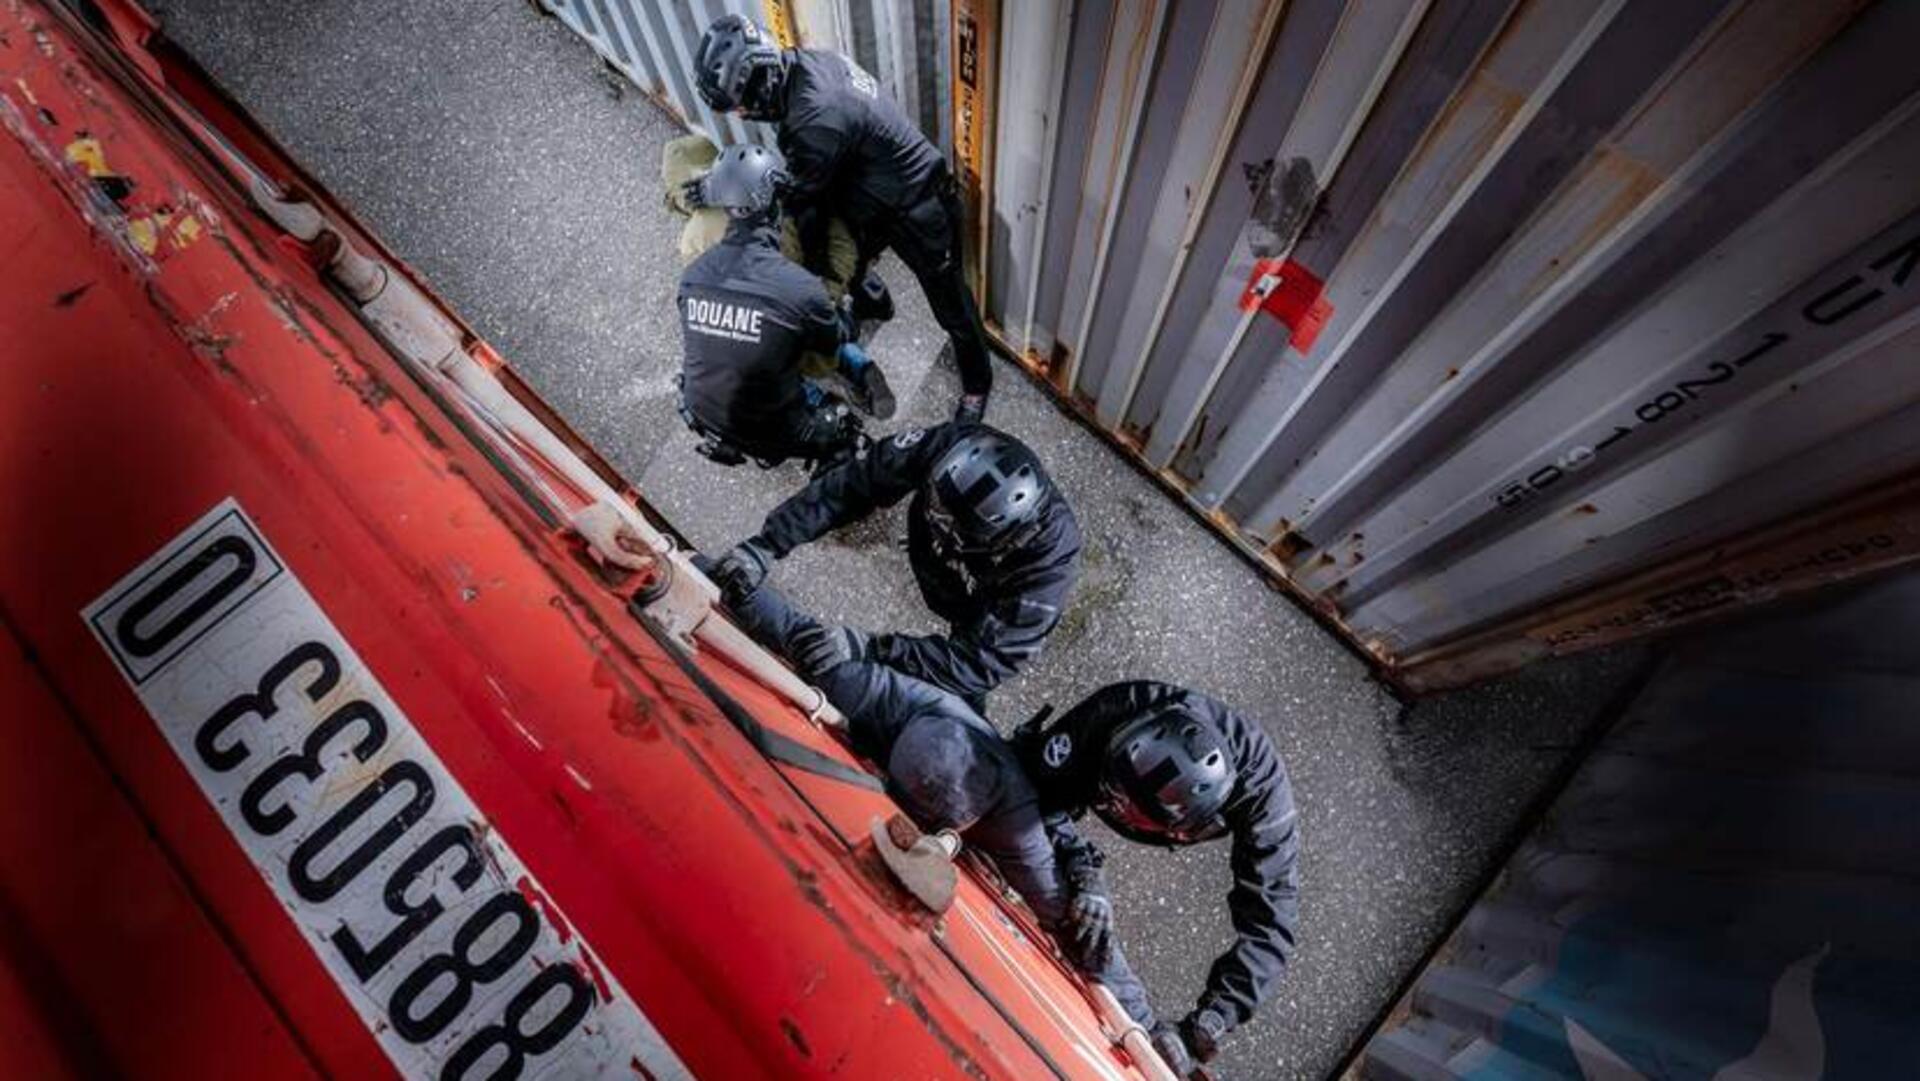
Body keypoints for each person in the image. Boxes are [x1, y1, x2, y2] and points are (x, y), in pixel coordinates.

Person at [709, 573, 1156, 1027]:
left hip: (988, 791)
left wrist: (1147, 1022)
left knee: (1074, 914)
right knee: (1070, 913)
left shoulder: (1012, 811)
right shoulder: (893, 699)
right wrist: (735, 582)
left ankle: (1148, 1018)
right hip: (952, 759)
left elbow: (1077, 918)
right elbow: (800, 634)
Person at [691, 13, 995, 424]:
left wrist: (722, 190)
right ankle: (874, 300)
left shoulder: (814, 120)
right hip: (867, 185)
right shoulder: (804, 64)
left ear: (760, 83)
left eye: (741, 104)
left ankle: (978, 383)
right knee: (848, 253)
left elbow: (800, 200)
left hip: (918, 206)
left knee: (950, 305)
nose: (742, 115)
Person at [1012, 681, 1302, 1076]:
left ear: (1187, 831)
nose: (1110, 807)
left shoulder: (1266, 802)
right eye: (1110, 796)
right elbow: (1032, 785)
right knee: (1011, 794)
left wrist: (1204, 1027)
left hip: (1232, 799)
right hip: (1097, 752)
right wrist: (1082, 867)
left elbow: (1270, 930)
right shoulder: (1122, 708)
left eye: (1125, 809)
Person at [705, 423, 1077, 710]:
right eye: (936, 507)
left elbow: (982, 664)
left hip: (984, 597)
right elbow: (855, 482)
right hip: (936, 564)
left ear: (1004, 539)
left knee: (964, 681)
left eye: (952, 526)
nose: (938, 521)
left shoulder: (1047, 569)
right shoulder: (947, 446)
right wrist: (766, 545)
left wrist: (872, 648)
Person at [675, 142, 892, 470]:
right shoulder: (801, 289)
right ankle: (839, 460)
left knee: (760, 349)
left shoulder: (692, 278)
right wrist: (842, 311)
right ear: (775, 206)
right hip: (768, 426)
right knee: (843, 431)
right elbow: (826, 353)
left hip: (700, 411)